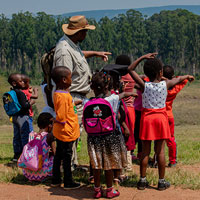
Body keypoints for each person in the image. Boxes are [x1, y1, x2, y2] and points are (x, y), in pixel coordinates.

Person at [128, 53, 194, 191]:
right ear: (160, 72)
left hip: (147, 119)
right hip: (161, 119)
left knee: (145, 152)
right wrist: (187, 76)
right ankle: (161, 182)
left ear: (146, 73)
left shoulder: (144, 85)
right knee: (161, 152)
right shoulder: (166, 84)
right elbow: (179, 79)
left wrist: (142, 58)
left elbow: (130, 69)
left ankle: (142, 180)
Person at [53, 15, 111, 168]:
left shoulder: (72, 44)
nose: (86, 34)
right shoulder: (64, 51)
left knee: (75, 132)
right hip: (71, 97)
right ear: (78, 32)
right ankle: (68, 167)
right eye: (84, 31)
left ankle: (72, 163)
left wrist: (95, 53)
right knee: (70, 133)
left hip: (78, 96)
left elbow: (79, 55)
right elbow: (63, 77)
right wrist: (69, 102)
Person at [85, 71, 137, 198]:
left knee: (96, 164)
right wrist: (131, 93)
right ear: (107, 86)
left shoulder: (87, 101)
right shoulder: (112, 99)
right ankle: (109, 190)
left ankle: (97, 190)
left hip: (93, 138)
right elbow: (123, 94)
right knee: (109, 164)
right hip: (110, 136)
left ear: (92, 87)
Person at [51, 66, 81, 189]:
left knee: (58, 155)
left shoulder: (60, 94)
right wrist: (55, 120)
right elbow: (62, 117)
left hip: (61, 131)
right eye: (69, 78)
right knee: (67, 157)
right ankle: (68, 181)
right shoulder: (63, 96)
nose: (71, 80)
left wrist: (73, 103)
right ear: (64, 80)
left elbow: (66, 109)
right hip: (66, 131)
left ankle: (56, 179)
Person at [163, 65, 194, 167]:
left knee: (159, 139)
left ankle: (156, 160)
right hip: (169, 115)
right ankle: (172, 161)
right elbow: (181, 79)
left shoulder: (159, 85)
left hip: (160, 115)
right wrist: (188, 76)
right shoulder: (176, 87)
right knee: (171, 138)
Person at [7, 73, 35, 161]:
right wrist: (32, 102)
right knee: (25, 135)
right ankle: (25, 155)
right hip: (23, 117)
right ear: (14, 83)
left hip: (14, 116)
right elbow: (25, 106)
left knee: (17, 136)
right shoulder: (20, 93)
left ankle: (17, 155)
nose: (23, 82)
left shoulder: (12, 92)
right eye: (21, 81)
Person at [116, 55, 136, 171]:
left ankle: (120, 162)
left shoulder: (117, 78)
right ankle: (128, 163)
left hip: (120, 108)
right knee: (129, 137)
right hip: (130, 108)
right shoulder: (132, 77)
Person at [22, 112, 56, 181]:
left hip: (28, 173)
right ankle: (48, 175)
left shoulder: (31, 134)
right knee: (57, 159)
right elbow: (56, 153)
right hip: (42, 174)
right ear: (49, 125)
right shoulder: (49, 136)